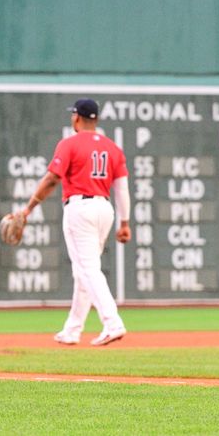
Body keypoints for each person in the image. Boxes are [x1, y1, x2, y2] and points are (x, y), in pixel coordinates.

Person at [18, 98, 131, 346]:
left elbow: (51, 179)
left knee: (88, 269)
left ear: (77, 118)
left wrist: (29, 208)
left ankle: (112, 323)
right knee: (83, 272)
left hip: (80, 209)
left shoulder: (69, 143)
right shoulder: (113, 148)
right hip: (105, 208)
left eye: (73, 115)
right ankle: (72, 329)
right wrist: (125, 222)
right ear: (96, 119)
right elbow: (121, 188)